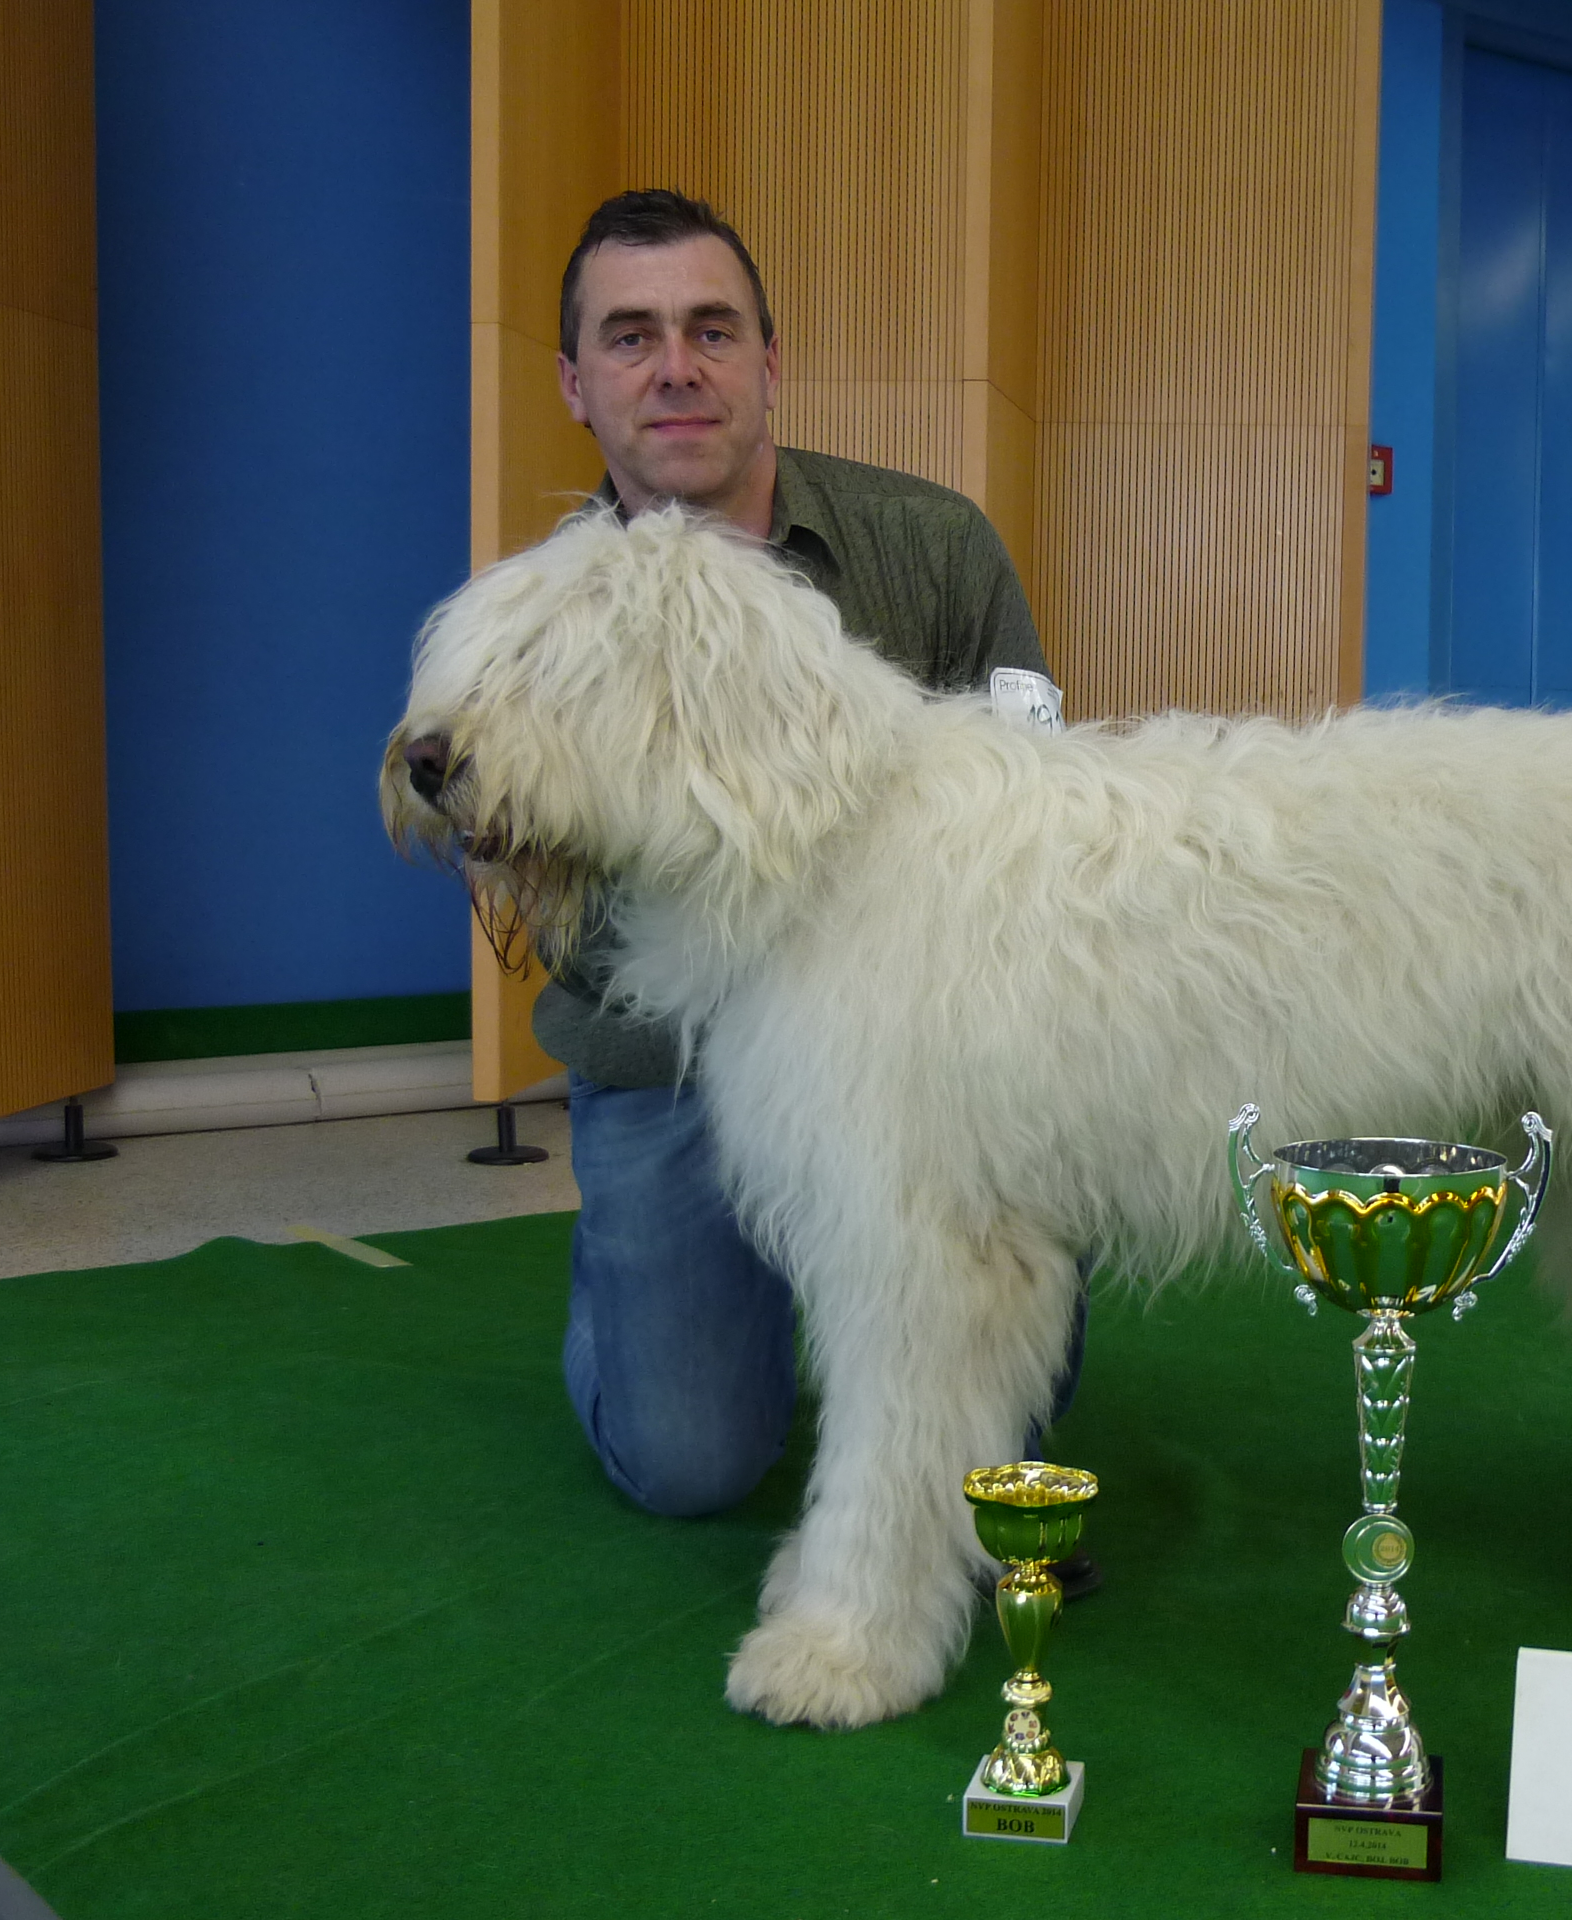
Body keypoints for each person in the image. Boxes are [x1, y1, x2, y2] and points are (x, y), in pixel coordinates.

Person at [534, 190, 1092, 1576]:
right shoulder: (537, 626)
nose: (677, 368)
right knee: (689, 1461)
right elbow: (538, 891)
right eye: (631, 337)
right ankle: (643, 1294)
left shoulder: (932, 545)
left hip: (928, 1054)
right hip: (670, 1061)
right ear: (577, 384)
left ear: (769, 364)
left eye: (713, 330)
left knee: (997, 1379)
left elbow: (1041, 821)